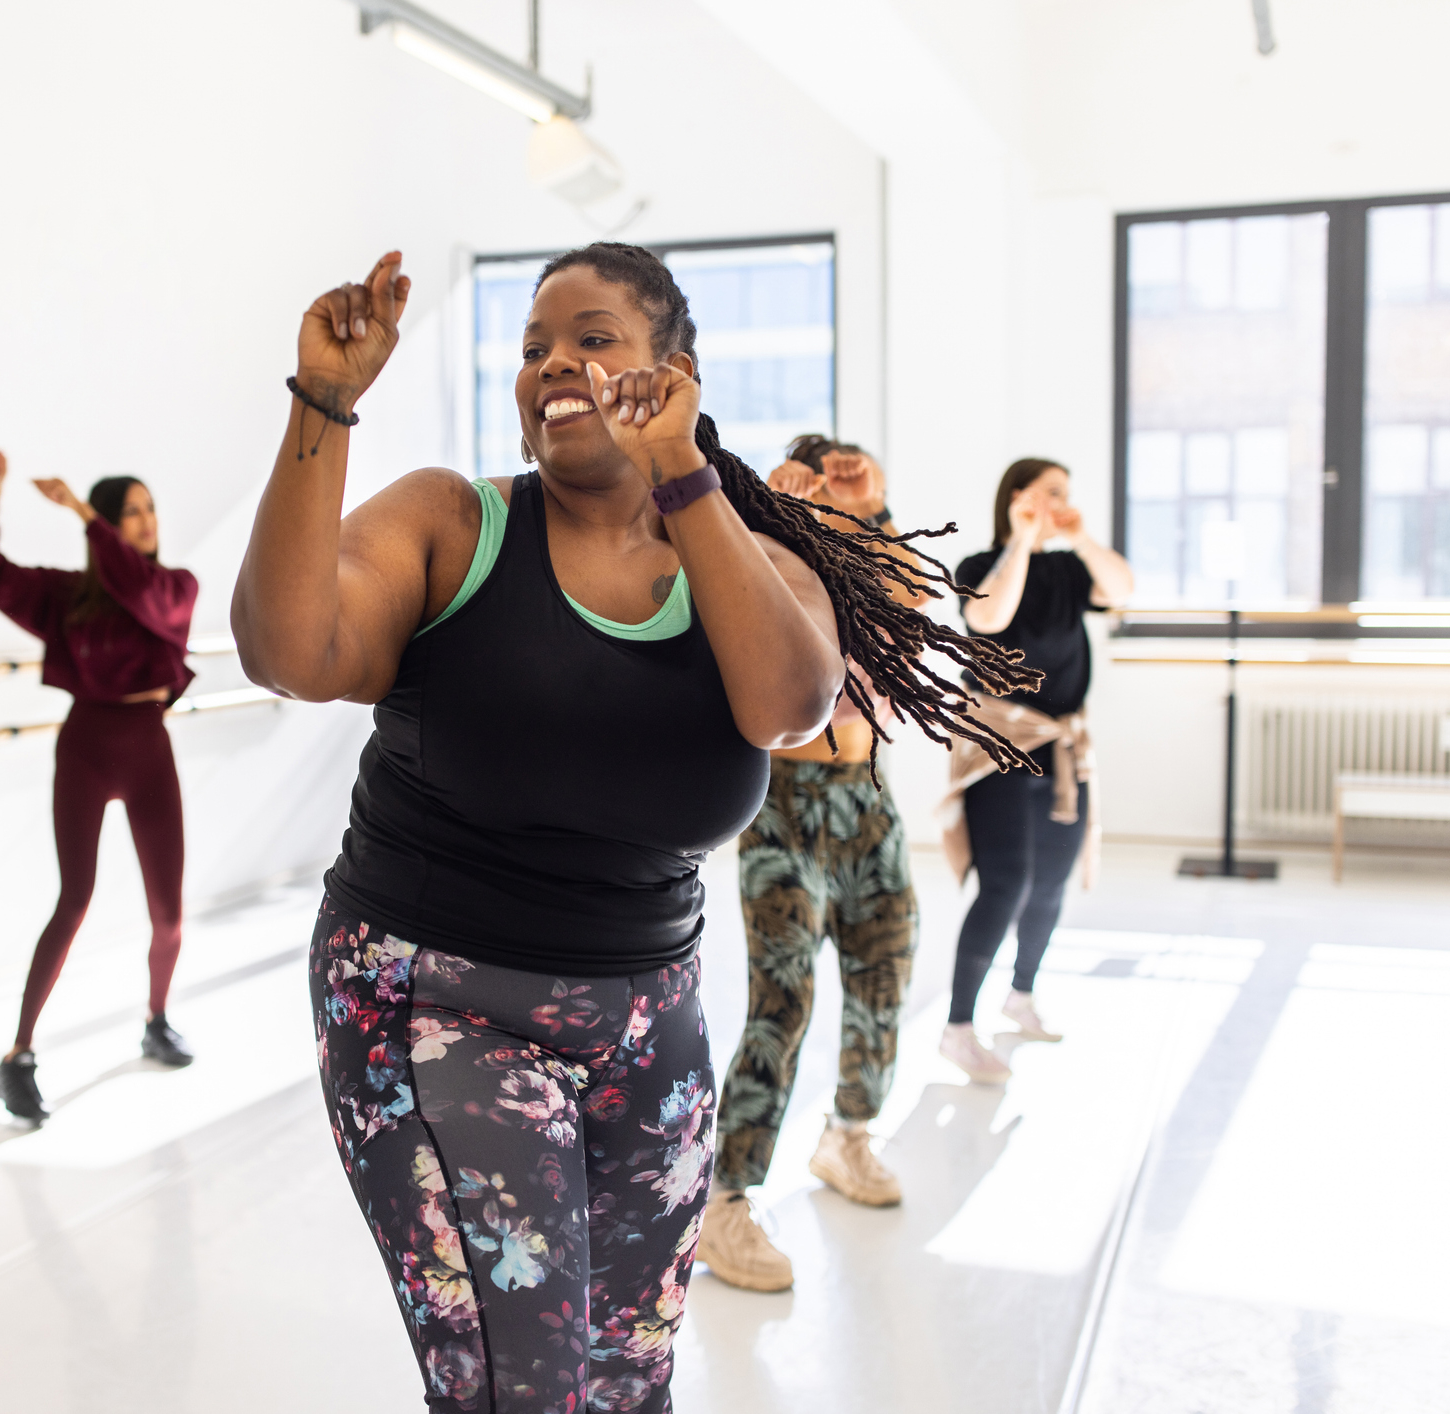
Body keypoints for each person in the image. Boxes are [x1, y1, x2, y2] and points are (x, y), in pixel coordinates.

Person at [233, 245, 1029, 1413]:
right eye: (532, 347)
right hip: (432, 991)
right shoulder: (452, 522)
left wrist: (679, 474)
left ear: (674, 373)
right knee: (521, 1386)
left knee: (628, 1375)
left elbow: (787, 704)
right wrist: (325, 404)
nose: (552, 362)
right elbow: (290, 651)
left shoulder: (756, 564)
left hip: (646, 1016)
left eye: (591, 337)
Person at [695, 435, 934, 1294]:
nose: (833, 494)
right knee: (783, 1001)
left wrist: (873, 506)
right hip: (786, 802)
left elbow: (913, 605)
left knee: (885, 972)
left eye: (847, 483)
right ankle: (727, 1199)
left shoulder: (867, 565)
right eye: (820, 483)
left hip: (868, 799)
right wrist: (768, 505)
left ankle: (849, 1135)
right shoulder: (770, 553)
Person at [0, 454, 199, 1123]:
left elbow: (142, 593)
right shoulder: (70, 596)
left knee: (169, 915)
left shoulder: (176, 588)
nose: (146, 522)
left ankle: (157, 1017)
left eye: (148, 510)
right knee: (74, 900)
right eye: (130, 512)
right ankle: (17, 1057)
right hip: (87, 747)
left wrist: (84, 514)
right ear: (105, 526)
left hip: (148, 747)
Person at [937, 458, 1133, 1084]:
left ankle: (1020, 994)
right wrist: (1022, 537)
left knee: (1050, 880)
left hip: (1062, 744)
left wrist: (1075, 535)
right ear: (1017, 496)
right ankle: (957, 1027)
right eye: (1050, 492)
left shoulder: (1071, 567)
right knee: (1006, 883)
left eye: (1066, 494)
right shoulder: (978, 567)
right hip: (999, 738)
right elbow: (988, 618)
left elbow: (1122, 590)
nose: (1060, 501)